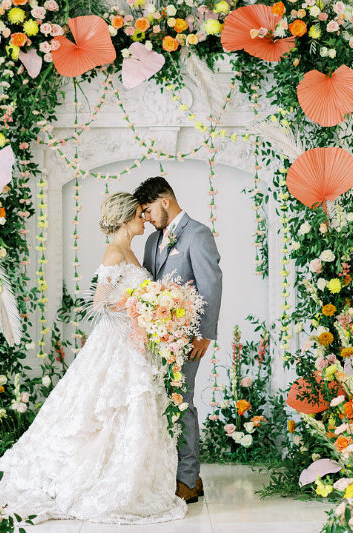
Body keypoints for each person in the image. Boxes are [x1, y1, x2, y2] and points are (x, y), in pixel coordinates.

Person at [0, 192, 186, 525]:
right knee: (105, 408)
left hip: (133, 343)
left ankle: (131, 479)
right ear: (125, 219)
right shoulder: (114, 253)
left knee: (132, 410)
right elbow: (99, 304)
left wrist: (152, 312)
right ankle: (93, 479)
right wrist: (139, 308)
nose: (143, 218)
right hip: (116, 343)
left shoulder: (130, 251)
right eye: (139, 214)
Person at [134, 176, 223, 504]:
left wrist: (204, 335)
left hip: (187, 338)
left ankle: (186, 478)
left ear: (164, 201)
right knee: (164, 403)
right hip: (157, 339)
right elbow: (147, 288)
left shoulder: (197, 234)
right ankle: (188, 476)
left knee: (180, 401)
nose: (146, 217)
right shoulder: (151, 242)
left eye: (148, 209)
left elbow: (210, 284)